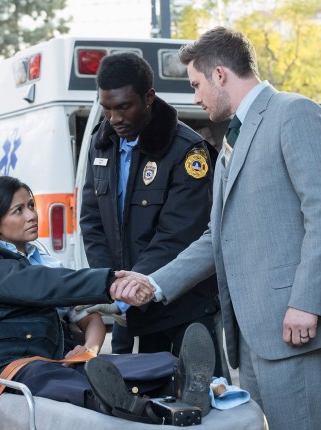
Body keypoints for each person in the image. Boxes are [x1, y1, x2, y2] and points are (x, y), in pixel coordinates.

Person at [110, 27, 321, 430]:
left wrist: (307, 303)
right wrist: (154, 284)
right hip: (254, 332)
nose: (195, 97)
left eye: (196, 85)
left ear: (220, 75)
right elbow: (216, 238)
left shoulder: (295, 113)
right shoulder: (234, 138)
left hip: (294, 322)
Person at [0, 176, 216, 422]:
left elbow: (89, 316)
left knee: (137, 364)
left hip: (54, 360)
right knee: (48, 376)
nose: (31, 215)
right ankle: (134, 407)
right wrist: (108, 282)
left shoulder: (47, 264)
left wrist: (89, 350)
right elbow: (34, 284)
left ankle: (180, 380)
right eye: (18, 210)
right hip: (0, 367)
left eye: (31, 205)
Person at [79, 52, 222, 374]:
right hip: (127, 304)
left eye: (124, 107)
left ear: (148, 97)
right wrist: (109, 281)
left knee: (202, 390)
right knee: (133, 391)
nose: (115, 118)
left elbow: (179, 233)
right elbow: (92, 219)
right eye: (107, 108)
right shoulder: (101, 143)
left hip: (180, 305)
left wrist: (130, 287)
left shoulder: (187, 150)